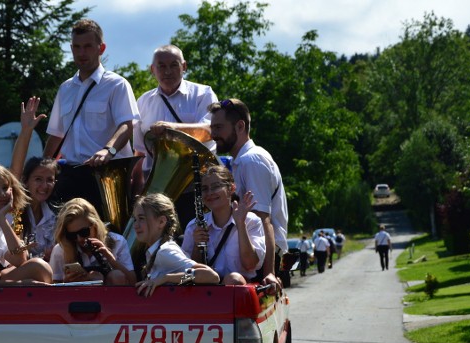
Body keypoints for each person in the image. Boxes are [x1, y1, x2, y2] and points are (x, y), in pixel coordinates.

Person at [42, 18, 139, 219]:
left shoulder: (117, 84)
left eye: (87, 46)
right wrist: (42, 168)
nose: (81, 52)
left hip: (105, 175)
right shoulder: (65, 88)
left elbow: (127, 125)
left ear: (101, 48)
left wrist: (107, 150)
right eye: (76, 47)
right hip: (70, 174)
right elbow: (56, 135)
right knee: (65, 237)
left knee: (108, 237)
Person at [207, 99, 288, 285]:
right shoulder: (241, 161)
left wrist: (268, 273)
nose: (213, 135)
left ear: (240, 126)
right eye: (212, 128)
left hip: (261, 261)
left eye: (219, 128)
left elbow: (262, 218)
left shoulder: (251, 161)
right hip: (253, 254)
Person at [131, 44, 217, 194]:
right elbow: (139, 152)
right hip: (155, 189)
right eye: (161, 66)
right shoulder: (143, 101)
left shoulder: (203, 94)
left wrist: (172, 128)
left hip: (195, 184)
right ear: (152, 70)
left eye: (173, 65)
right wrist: (136, 193)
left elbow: (211, 130)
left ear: (184, 66)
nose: (168, 71)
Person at [180, 165, 265, 284]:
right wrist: (197, 246)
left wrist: (241, 224)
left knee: (233, 278)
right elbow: (188, 273)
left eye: (215, 187)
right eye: (204, 189)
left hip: (237, 291)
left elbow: (250, 264)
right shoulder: (194, 226)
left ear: (231, 188)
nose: (209, 193)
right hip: (206, 291)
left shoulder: (251, 221)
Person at [133, 193, 219, 297]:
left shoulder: (164, 252)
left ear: (161, 221)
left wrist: (167, 278)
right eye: (135, 219)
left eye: (142, 218)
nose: (135, 225)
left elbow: (210, 276)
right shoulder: (157, 251)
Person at [11, 96, 59, 261]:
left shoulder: (57, 214)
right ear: (26, 181)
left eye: (50, 180)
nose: (44, 186)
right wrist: (26, 131)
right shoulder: (15, 207)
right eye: (38, 179)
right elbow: (14, 173)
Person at [50, 198, 136, 285]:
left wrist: (110, 258)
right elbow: (53, 287)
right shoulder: (61, 249)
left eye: (84, 232)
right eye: (72, 235)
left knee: (117, 275)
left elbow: (132, 282)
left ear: (95, 225)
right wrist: (67, 282)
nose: (79, 239)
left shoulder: (117, 241)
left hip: (110, 296)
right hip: (76, 296)